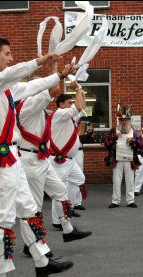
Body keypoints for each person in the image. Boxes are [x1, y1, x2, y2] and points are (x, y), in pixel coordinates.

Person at [0, 37, 73, 277]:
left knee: (29, 208)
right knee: (3, 218)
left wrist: (58, 76)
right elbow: (13, 74)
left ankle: (41, 262)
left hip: (12, 156)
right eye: (7, 53)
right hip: (0, 157)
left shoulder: (5, 88)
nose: (10, 57)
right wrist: (40, 61)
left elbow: (30, 86)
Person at [16, 64, 91, 256]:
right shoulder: (28, 106)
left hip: (40, 158)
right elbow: (54, 89)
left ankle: (67, 230)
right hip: (30, 160)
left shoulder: (37, 108)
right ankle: (32, 244)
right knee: (35, 205)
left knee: (60, 190)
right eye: (38, 86)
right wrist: (57, 68)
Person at [50, 93, 92, 229]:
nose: (72, 104)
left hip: (70, 160)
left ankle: (70, 207)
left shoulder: (70, 116)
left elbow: (81, 106)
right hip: (60, 160)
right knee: (59, 190)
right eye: (69, 102)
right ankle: (57, 221)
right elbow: (78, 107)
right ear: (61, 104)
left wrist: (81, 93)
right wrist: (78, 89)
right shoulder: (59, 114)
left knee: (79, 179)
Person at [104, 105, 143, 208]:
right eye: (122, 120)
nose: (124, 122)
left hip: (130, 159)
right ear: (119, 121)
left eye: (126, 120)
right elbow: (106, 142)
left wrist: (133, 141)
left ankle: (130, 200)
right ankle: (115, 201)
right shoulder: (113, 131)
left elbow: (140, 143)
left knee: (130, 180)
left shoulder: (134, 131)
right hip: (117, 159)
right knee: (116, 180)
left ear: (129, 121)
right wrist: (113, 137)